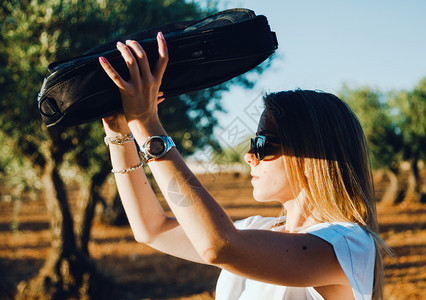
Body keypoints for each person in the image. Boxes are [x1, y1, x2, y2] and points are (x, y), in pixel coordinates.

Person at [98, 32, 389, 300]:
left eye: (262, 143)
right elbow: (152, 228)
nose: (250, 156)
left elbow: (217, 247)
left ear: (313, 154)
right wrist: (119, 133)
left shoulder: (348, 245)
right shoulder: (258, 229)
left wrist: (148, 123)